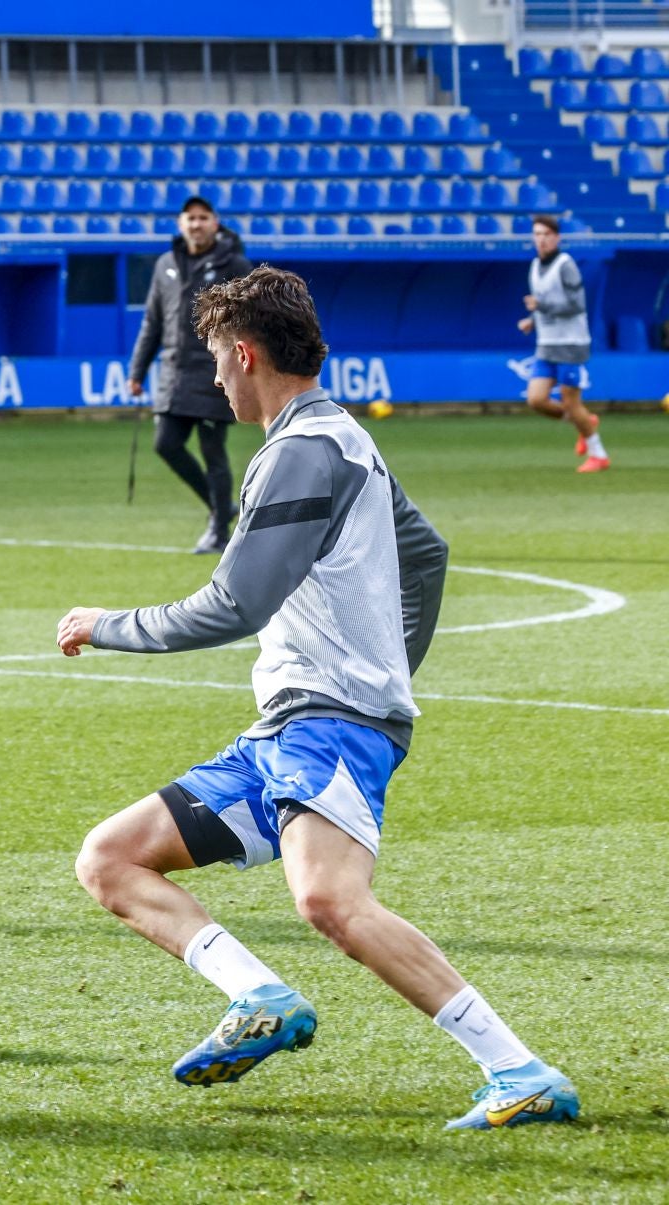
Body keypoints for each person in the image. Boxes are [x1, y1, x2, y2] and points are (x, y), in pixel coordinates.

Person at [60, 267, 579, 1132]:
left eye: (217, 362)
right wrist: (389, 673)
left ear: (248, 353)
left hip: (328, 722)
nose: (215, 379)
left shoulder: (303, 451)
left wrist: (104, 622)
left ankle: (519, 1069)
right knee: (110, 858)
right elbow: (429, 553)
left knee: (330, 901)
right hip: (291, 724)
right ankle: (261, 994)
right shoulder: (338, 438)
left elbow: (232, 605)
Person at [128, 196, 253, 553]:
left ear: (215, 223)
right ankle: (220, 507)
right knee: (165, 444)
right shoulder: (166, 264)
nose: (196, 224)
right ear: (181, 224)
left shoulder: (235, 264)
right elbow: (153, 319)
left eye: (203, 218)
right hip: (175, 372)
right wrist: (138, 369)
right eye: (190, 218)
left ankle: (218, 531)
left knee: (213, 450)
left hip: (217, 370)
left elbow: (248, 321)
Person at [519, 215, 609, 472]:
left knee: (571, 401)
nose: (542, 239)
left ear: (556, 238)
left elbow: (576, 304)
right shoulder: (535, 266)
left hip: (570, 344)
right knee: (536, 399)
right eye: (537, 234)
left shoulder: (565, 265)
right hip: (546, 344)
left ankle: (598, 454)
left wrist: (541, 307)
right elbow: (544, 303)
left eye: (546, 234)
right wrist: (532, 320)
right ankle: (585, 422)